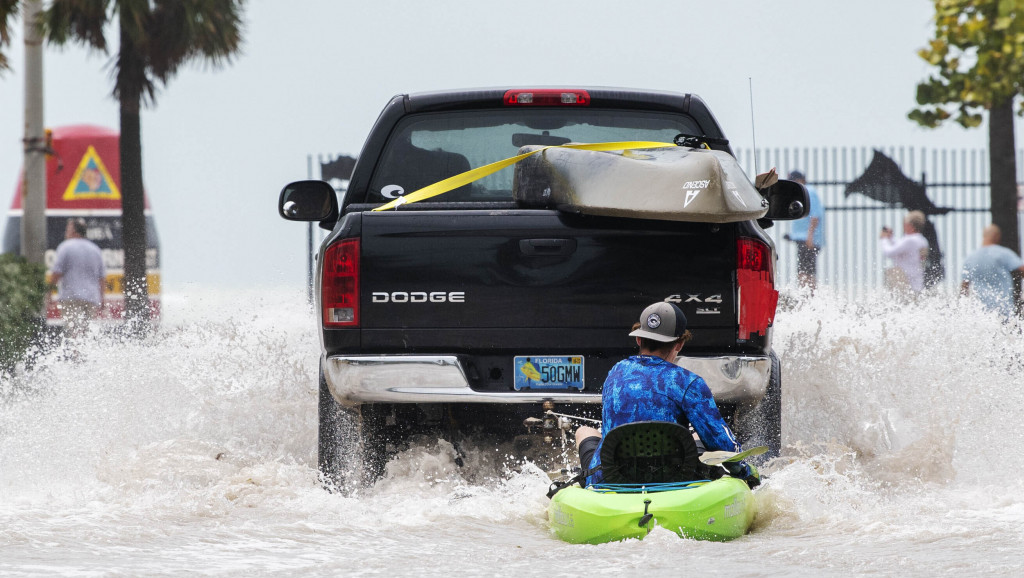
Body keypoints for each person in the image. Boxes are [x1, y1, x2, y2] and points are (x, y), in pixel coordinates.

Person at [573, 302, 760, 488]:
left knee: (584, 431)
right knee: (696, 435)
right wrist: (745, 472)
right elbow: (720, 441)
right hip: (673, 478)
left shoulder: (615, 373)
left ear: (639, 340)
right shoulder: (688, 382)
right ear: (679, 344)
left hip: (613, 477)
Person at [50, 218, 105, 338]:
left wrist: (49, 292)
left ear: (75, 231)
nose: (66, 232)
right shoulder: (95, 250)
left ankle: (77, 356)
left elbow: (57, 273)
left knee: (73, 331)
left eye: (68, 229)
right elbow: (101, 278)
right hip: (91, 298)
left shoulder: (65, 247)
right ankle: (83, 354)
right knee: (85, 332)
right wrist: (102, 299)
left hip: (71, 297)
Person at [960, 224, 1024, 318]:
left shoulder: (970, 258)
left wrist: (963, 309)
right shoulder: (1003, 253)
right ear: (997, 236)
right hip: (1003, 308)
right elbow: (1022, 269)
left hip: (981, 311)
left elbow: (964, 286)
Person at [785, 170, 825, 292]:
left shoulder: (808, 192)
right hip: (804, 238)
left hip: (808, 240)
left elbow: (815, 216)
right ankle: (806, 297)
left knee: (806, 272)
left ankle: (808, 298)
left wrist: (809, 237)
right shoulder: (805, 192)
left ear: (800, 180)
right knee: (804, 271)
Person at [880, 210, 929, 294]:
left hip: (906, 282)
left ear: (911, 226)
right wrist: (891, 238)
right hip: (916, 282)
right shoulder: (921, 240)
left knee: (891, 272)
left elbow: (889, 252)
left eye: (905, 223)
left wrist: (884, 239)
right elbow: (902, 247)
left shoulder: (909, 240)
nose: (904, 225)